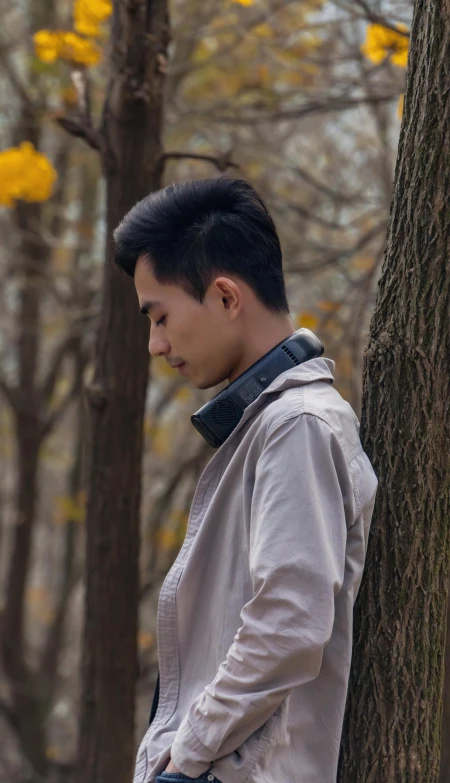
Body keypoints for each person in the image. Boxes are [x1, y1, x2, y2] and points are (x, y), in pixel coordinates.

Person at [113, 177, 378, 783]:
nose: (155, 344)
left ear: (227, 297)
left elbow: (288, 623)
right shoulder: (270, 428)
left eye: (160, 317)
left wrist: (189, 757)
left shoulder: (296, 425)